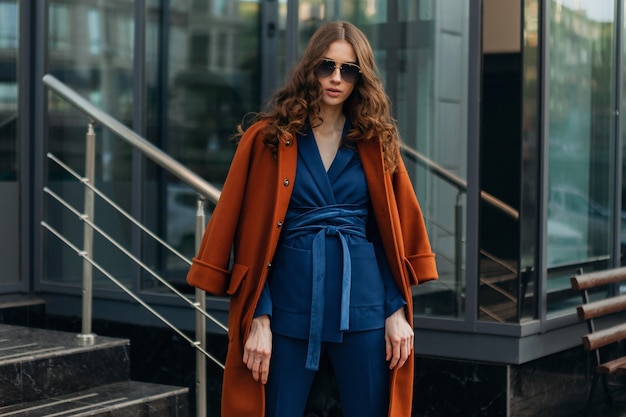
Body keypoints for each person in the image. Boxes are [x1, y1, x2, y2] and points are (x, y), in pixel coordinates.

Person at [186, 20, 438, 417]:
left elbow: (384, 234)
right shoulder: (269, 137)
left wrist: (395, 309)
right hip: (287, 307)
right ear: (310, 69)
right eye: (327, 66)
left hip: (365, 305)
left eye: (348, 70)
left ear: (361, 77)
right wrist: (259, 315)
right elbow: (250, 234)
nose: (336, 78)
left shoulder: (375, 141)